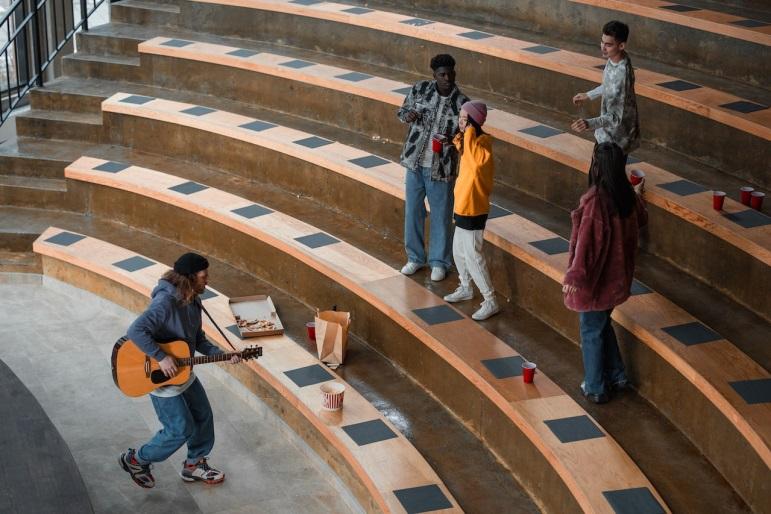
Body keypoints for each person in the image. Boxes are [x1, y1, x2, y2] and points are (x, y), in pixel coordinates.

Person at [119, 253, 241, 488]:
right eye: (204, 276)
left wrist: (224, 355)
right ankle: (136, 459)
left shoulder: (193, 300)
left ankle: (194, 465)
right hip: (161, 378)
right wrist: (161, 357)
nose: (208, 281)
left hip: (183, 373)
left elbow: (198, 340)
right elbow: (136, 330)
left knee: (203, 416)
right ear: (189, 278)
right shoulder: (165, 302)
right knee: (179, 430)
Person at [562, 142, 647, 404]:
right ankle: (618, 374)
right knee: (601, 325)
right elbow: (642, 219)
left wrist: (574, 277)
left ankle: (596, 386)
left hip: (597, 284)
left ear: (596, 166)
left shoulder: (597, 202)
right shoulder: (626, 196)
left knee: (590, 330)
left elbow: (587, 245)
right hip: (617, 280)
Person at [397, 53, 469, 282]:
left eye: (450, 73)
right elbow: (401, 111)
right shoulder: (420, 89)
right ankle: (415, 258)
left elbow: (467, 136)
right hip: (415, 163)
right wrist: (407, 115)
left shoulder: (462, 103)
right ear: (434, 75)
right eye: (442, 74)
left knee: (441, 216)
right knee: (413, 212)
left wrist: (453, 140)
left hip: (442, 168)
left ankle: (439, 262)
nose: (447, 78)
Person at [443, 100, 500, 321]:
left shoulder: (483, 143)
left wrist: (467, 132)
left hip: (475, 209)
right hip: (463, 206)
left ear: (475, 123)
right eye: (460, 118)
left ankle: (490, 299)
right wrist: (457, 135)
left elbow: (476, 164)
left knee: (473, 256)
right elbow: (463, 147)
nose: (461, 123)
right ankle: (466, 286)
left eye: (466, 119)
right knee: (458, 251)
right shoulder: (469, 142)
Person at [571, 20, 640, 160]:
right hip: (606, 133)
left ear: (621, 45)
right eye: (602, 42)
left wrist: (589, 123)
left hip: (616, 140)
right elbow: (609, 84)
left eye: (608, 45)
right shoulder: (616, 57)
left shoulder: (622, 75)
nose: (603, 47)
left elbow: (615, 117)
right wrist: (588, 95)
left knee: (607, 179)